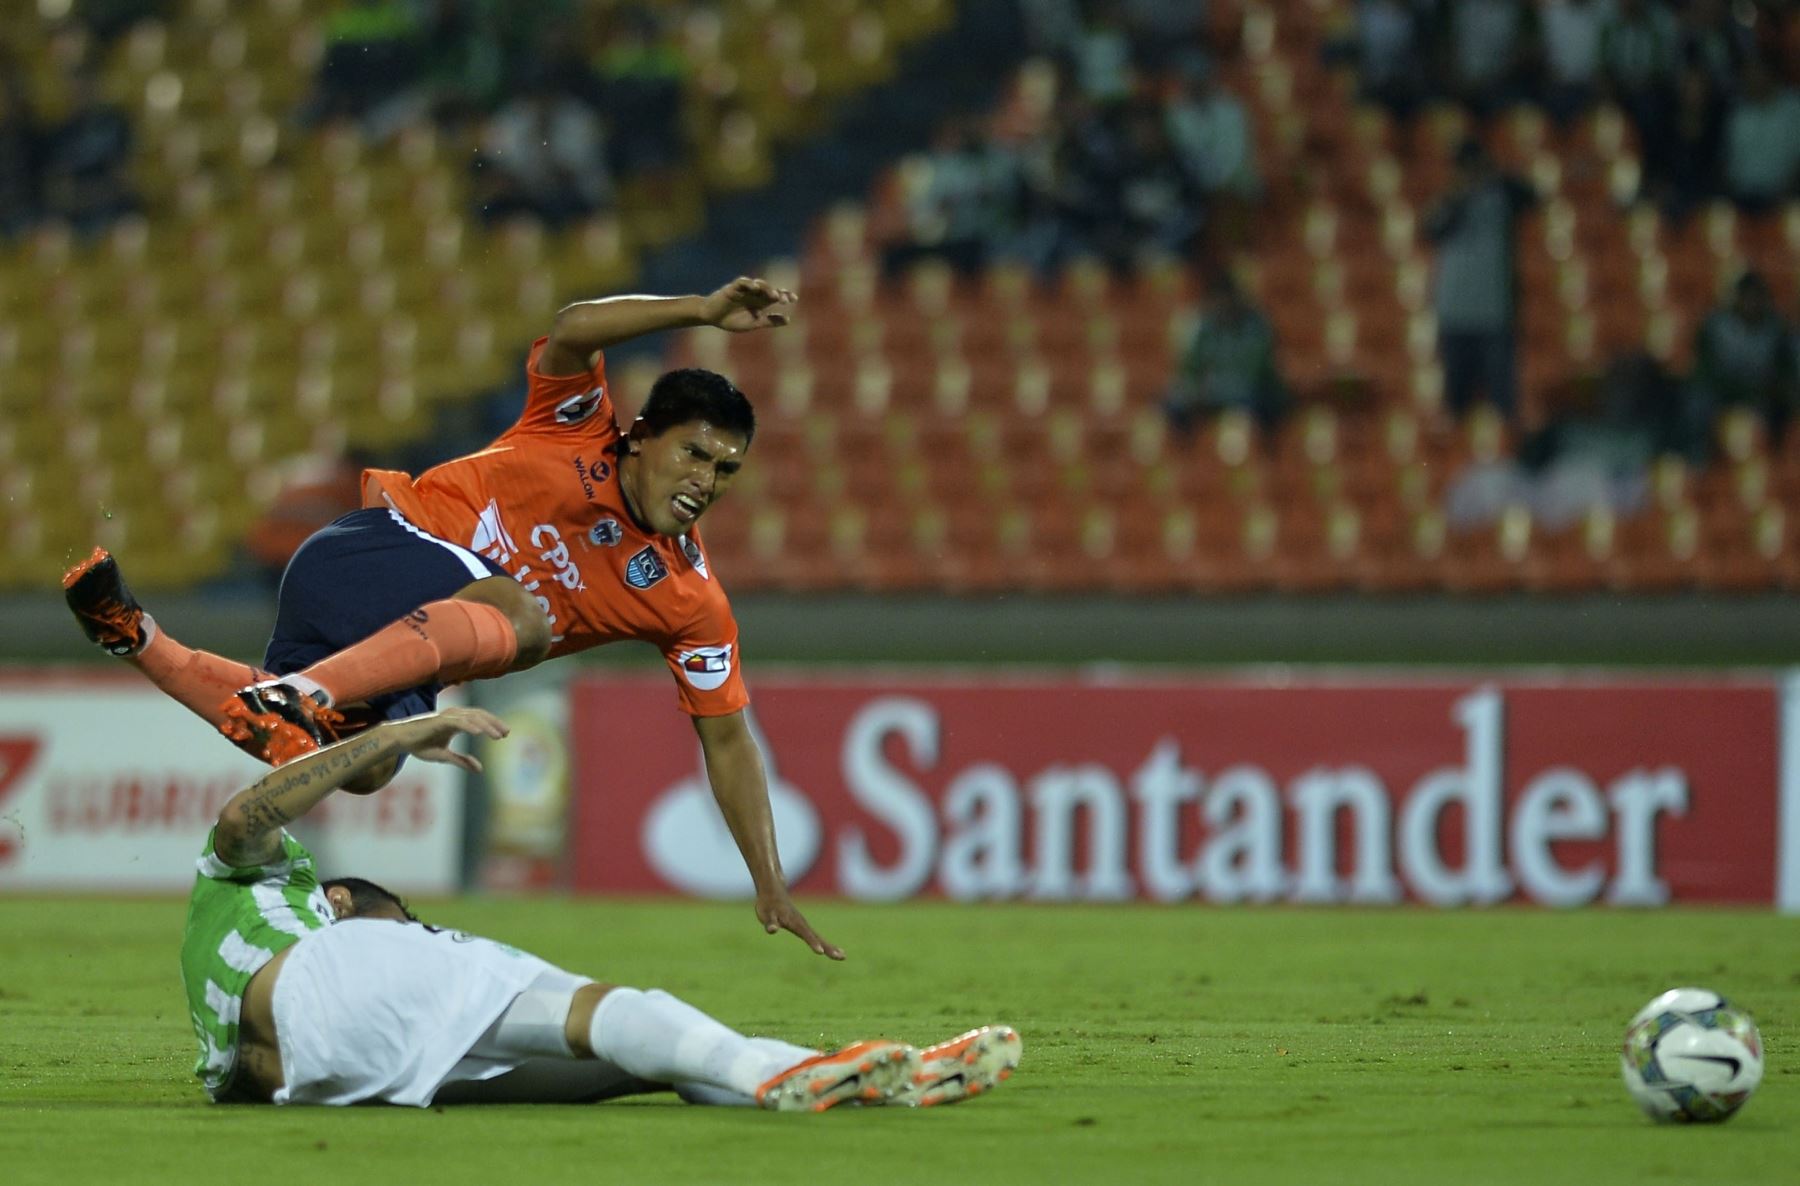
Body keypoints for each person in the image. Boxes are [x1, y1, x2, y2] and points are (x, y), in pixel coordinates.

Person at [65, 276, 843, 958]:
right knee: (526, 618)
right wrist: (701, 309)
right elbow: (573, 325)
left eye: (726, 470)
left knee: (361, 764)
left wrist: (769, 882)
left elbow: (729, 736)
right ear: (640, 438)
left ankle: (139, 638)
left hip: (395, 642)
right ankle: (305, 693)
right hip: (367, 551)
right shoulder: (575, 425)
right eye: (694, 455)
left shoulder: (688, 598)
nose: (706, 481)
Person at [183, 706, 1022, 1108]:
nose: (420, 934)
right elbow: (241, 817)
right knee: (616, 1010)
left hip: (326, 1074)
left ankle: (863, 1078)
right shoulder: (287, 895)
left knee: (636, 1061)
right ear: (342, 900)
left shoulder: (230, 970)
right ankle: (779, 1071)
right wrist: (395, 736)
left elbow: (252, 1068)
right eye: (408, 921)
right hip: (335, 998)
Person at [1424, 138, 1535, 422]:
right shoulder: (1451, 200)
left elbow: (1531, 197)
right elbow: (1431, 230)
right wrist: (1461, 193)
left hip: (1494, 315)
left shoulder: (1502, 196)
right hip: (1455, 315)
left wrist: (1494, 176)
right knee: (1455, 405)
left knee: (1503, 406)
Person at [1162, 271, 1287, 434]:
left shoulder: (1256, 326)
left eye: (1228, 300)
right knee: (1172, 406)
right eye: (1218, 301)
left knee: (1273, 404)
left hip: (1249, 396)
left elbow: (1254, 374)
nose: (1223, 306)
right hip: (1208, 396)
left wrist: (1215, 392)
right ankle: (1185, 455)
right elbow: (1188, 370)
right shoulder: (1201, 328)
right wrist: (1194, 391)